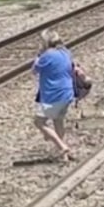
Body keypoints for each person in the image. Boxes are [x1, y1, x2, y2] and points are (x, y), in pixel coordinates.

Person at [32, 30, 77, 161]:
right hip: (67, 92)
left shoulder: (46, 56)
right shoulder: (66, 53)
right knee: (58, 121)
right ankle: (64, 156)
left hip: (53, 94)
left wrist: (38, 55)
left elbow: (34, 70)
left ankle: (62, 146)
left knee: (39, 122)